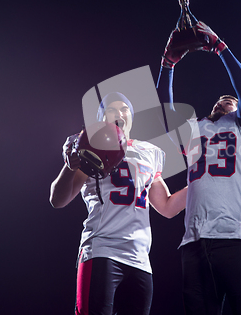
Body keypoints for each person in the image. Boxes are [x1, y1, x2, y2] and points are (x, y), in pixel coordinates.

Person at [156, 21, 241, 315]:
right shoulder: (196, 129)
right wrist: (167, 64)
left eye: (231, 100)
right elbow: (163, 113)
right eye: (221, 99)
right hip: (194, 243)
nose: (226, 99)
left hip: (235, 237)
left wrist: (220, 47)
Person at [50, 91, 187, 315]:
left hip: (140, 258)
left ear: (131, 117)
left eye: (124, 109)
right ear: (101, 119)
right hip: (102, 248)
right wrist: (70, 165)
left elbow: (167, 207)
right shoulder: (91, 145)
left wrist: (202, 182)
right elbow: (58, 200)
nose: (119, 113)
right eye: (111, 109)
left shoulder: (150, 152)